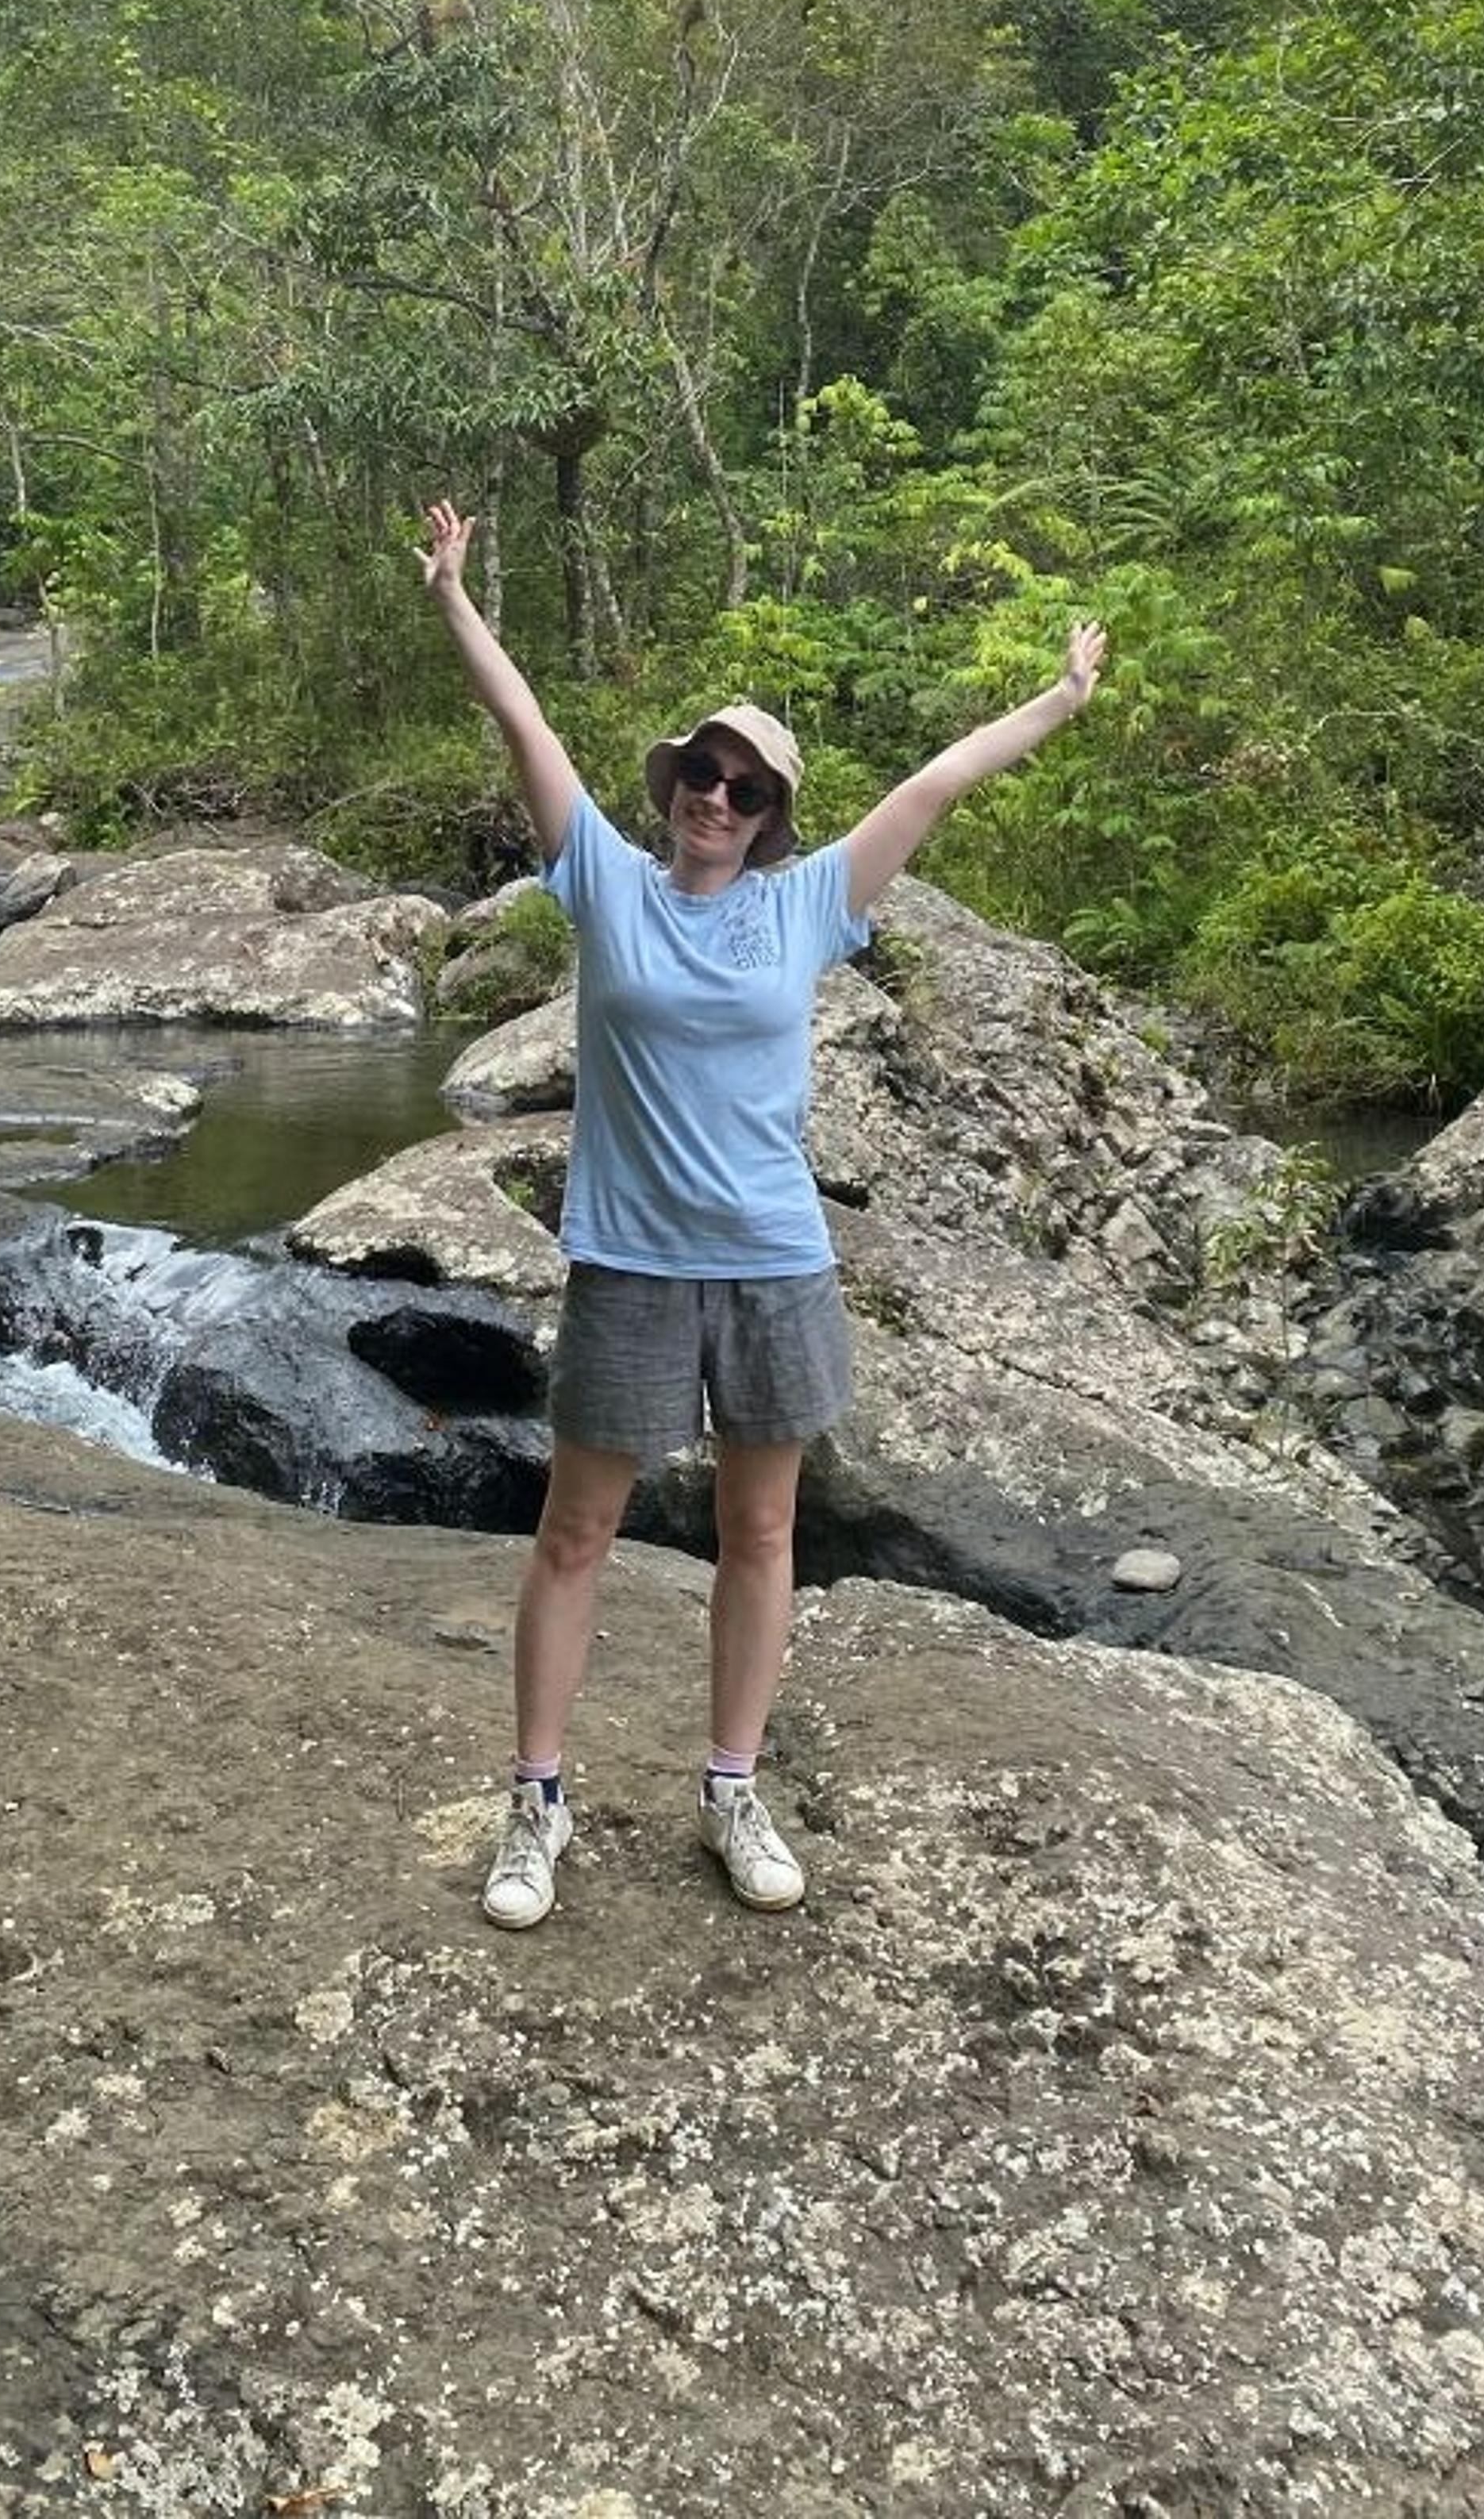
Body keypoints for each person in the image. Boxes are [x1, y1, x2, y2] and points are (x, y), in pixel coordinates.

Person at [417, 495, 1106, 1930]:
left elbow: (937, 782)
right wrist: (453, 596)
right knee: (574, 1537)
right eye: (703, 774)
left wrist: (1058, 697)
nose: (717, 798)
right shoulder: (606, 882)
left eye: (745, 788)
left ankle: (733, 1785)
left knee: (763, 1534)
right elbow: (525, 726)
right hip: (630, 1260)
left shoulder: (809, 908)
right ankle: (536, 1799)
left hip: (776, 1260)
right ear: (671, 785)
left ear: (774, 815)